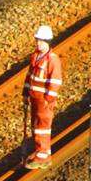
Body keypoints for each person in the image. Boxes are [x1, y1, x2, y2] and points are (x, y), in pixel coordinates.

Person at [23, 24, 63, 169]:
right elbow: (29, 76)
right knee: (36, 126)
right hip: (34, 97)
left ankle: (43, 155)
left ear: (48, 42)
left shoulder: (52, 60)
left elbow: (55, 82)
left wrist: (48, 100)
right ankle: (41, 151)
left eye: (41, 40)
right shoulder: (35, 56)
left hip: (43, 100)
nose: (38, 43)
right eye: (37, 40)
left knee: (42, 127)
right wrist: (25, 93)